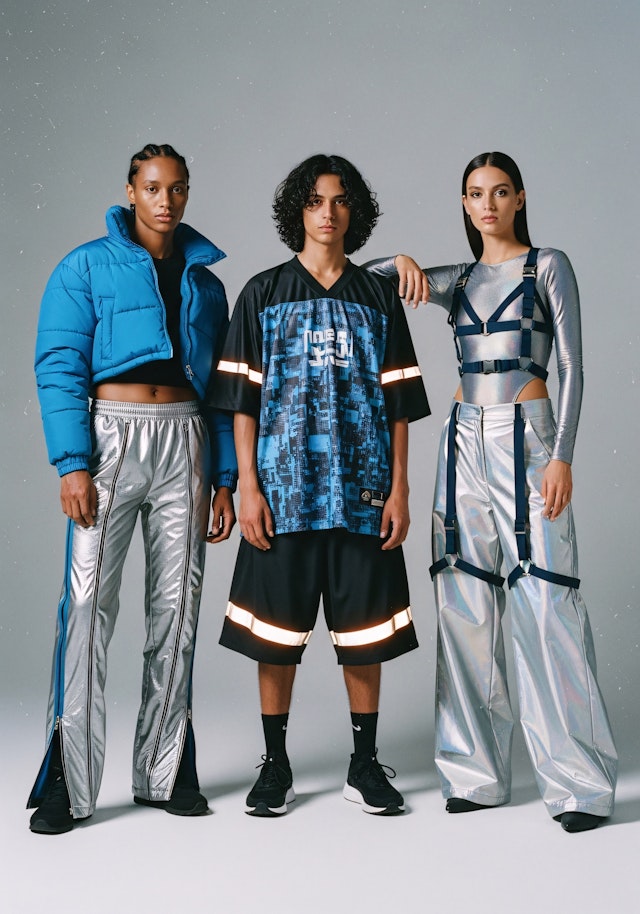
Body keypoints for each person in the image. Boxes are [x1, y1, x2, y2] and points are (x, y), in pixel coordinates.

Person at [366, 151, 617, 833]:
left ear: (519, 198)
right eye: (475, 194)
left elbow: (574, 365)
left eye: (500, 192)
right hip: (462, 438)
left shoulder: (547, 266)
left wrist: (562, 456)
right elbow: (365, 279)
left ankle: (579, 785)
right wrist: (401, 259)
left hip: (528, 435)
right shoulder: (459, 279)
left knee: (546, 598)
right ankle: (473, 775)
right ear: (464, 202)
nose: (488, 204)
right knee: (463, 598)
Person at [209, 154, 430, 817]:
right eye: (314, 201)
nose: (327, 213)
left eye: (338, 200)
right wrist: (248, 486)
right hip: (283, 497)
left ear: (353, 211)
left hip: (364, 496)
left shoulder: (377, 296)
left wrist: (400, 489)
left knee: (365, 636)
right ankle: (275, 765)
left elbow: (399, 405)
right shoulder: (263, 293)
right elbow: (242, 402)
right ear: (296, 212)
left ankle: (365, 764)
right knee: (274, 637)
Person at [27, 143, 237, 835]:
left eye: (176, 188)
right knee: (88, 604)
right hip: (110, 439)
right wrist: (72, 464)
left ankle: (164, 770)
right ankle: (69, 780)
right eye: (152, 187)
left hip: (186, 441)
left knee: (178, 609)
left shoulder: (207, 284)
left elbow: (224, 390)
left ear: (186, 193)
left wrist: (225, 479)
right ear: (130, 190)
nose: (165, 201)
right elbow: (59, 362)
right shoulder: (84, 265)